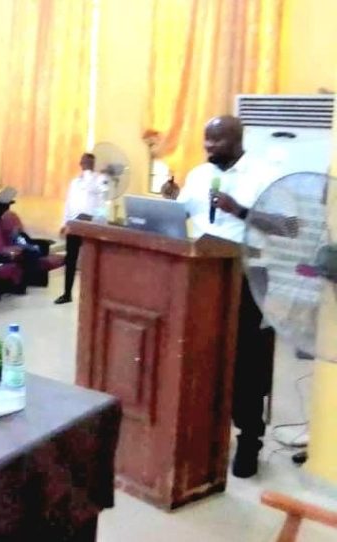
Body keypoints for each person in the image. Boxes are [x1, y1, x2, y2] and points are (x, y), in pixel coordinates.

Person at [177, 115, 279, 478]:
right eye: (206, 142)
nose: (209, 149)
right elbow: (184, 212)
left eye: (216, 143)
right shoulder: (199, 174)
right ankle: (205, 431)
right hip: (202, 276)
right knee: (202, 354)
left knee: (246, 361)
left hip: (248, 275)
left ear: (237, 140)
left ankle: (249, 440)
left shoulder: (265, 174)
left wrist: (240, 211)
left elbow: (289, 226)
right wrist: (171, 198)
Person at [55, 152, 108, 305]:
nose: (85, 164)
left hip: (92, 225)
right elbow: (68, 204)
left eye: (89, 162)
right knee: (70, 259)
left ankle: (92, 297)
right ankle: (67, 293)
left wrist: (98, 220)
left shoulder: (100, 180)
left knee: (91, 262)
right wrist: (64, 223)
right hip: (74, 224)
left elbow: (102, 201)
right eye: (84, 161)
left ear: (93, 164)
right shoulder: (74, 182)